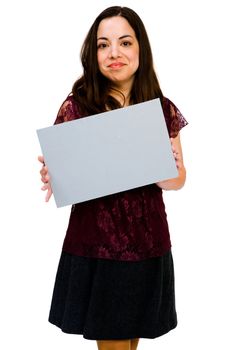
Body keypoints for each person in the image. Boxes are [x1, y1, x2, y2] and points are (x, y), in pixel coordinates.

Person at [38, 6, 188, 350]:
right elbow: (65, 173)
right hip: (99, 245)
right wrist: (53, 173)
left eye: (125, 42)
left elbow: (178, 180)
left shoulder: (160, 109)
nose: (114, 53)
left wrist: (167, 169)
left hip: (149, 242)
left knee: (131, 342)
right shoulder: (77, 106)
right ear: (93, 53)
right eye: (103, 45)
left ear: (140, 49)